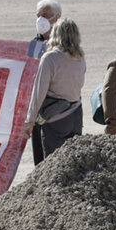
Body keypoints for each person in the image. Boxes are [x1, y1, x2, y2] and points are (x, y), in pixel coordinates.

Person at [22, 18, 86, 162]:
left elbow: (39, 92)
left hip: (56, 119)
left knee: (53, 167)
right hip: (75, 115)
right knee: (71, 164)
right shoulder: (80, 58)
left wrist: (30, 121)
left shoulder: (50, 58)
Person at [30, 0, 62, 164]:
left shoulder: (66, 45)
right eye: (38, 16)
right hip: (38, 109)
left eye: (45, 15)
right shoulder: (34, 44)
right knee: (39, 155)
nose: (40, 20)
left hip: (59, 109)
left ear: (56, 18)